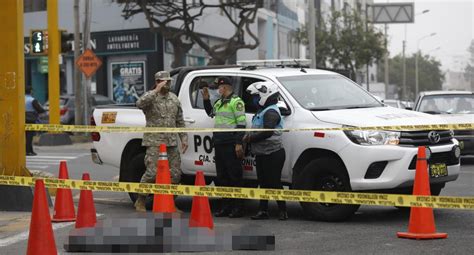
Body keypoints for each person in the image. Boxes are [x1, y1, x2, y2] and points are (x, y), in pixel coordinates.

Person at [134, 71, 188, 212]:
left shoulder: (174, 99)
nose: (168, 84)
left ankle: (170, 202)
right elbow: (139, 103)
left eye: (169, 81)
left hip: (170, 142)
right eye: (165, 81)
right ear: (158, 81)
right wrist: (156, 90)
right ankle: (140, 200)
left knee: (175, 174)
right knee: (152, 173)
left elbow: (180, 121)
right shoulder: (151, 97)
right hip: (154, 141)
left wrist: (184, 138)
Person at [202, 77, 246, 218]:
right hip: (219, 144)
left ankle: (237, 207)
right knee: (222, 177)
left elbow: (241, 124)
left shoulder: (236, 102)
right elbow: (210, 113)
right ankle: (225, 206)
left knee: (234, 177)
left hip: (231, 144)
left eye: (219, 88)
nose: (217, 90)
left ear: (225, 88)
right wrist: (206, 100)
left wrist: (239, 143)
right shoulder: (219, 102)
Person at [243, 81, 288, 221]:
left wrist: (250, 138)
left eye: (257, 96)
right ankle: (263, 211)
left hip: (273, 154)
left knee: (274, 183)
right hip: (262, 154)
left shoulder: (271, 111)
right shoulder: (262, 111)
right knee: (263, 182)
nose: (254, 99)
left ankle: (283, 211)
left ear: (265, 95)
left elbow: (267, 132)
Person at [25, 86, 45, 156]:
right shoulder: (32, 100)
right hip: (30, 119)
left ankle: (29, 151)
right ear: (31, 91)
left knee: (24, 136)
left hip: (21, 119)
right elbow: (40, 109)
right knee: (29, 136)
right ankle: (28, 151)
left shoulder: (21, 99)